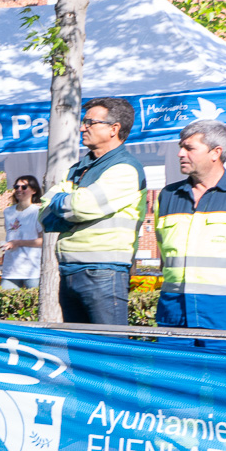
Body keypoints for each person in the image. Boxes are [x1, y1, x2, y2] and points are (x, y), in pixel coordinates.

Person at [43, 96, 146, 325]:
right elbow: (45, 216)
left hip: (104, 271)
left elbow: (80, 207)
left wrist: (64, 203)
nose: (82, 128)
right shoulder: (77, 168)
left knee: (109, 352)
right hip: (70, 270)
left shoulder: (125, 168)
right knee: (79, 352)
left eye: (90, 122)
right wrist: (70, 206)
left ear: (114, 129)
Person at [156, 120, 226, 340]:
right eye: (180, 147)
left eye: (189, 148)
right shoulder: (167, 196)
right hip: (173, 315)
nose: (180, 154)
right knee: (172, 374)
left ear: (216, 153)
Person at [0, 176, 44, 290]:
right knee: (5, 302)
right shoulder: (8, 211)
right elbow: (10, 235)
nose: (19, 190)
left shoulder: (37, 211)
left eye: (24, 187)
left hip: (32, 270)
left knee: (33, 305)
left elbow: (43, 241)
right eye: (16, 187)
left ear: (33, 191)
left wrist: (18, 242)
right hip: (10, 269)